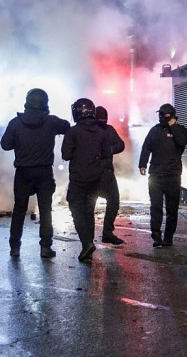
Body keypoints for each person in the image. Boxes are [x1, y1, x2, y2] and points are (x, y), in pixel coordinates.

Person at [0, 88, 70, 259]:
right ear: (45, 103)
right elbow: (67, 127)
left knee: (19, 210)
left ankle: (14, 247)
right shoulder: (51, 122)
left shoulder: (15, 123)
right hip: (44, 172)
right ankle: (45, 247)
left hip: (23, 172)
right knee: (46, 211)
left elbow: (5, 145)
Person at [62, 98, 115, 262]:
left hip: (78, 179)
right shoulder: (102, 131)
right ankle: (88, 244)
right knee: (89, 211)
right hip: (96, 179)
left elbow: (66, 155)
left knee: (77, 210)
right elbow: (108, 155)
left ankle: (86, 243)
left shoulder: (73, 132)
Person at [138, 103, 187, 248]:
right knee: (156, 207)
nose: (161, 118)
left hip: (173, 176)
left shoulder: (180, 131)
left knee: (172, 209)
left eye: (164, 116)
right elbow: (146, 147)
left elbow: (182, 141)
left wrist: (173, 126)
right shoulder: (154, 131)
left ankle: (168, 237)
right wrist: (142, 164)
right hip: (156, 176)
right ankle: (156, 236)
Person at [95, 106, 126, 245]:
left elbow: (120, 145)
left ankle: (105, 233)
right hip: (96, 171)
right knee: (108, 201)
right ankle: (100, 234)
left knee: (113, 201)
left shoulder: (108, 129)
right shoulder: (94, 130)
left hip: (104, 171)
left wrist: (109, 150)